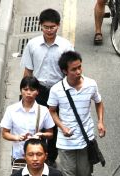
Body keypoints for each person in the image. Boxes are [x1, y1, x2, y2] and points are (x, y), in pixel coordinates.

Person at [48, 50, 105, 176]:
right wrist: (62, 127)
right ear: (65, 71)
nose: (78, 72)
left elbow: (98, 102)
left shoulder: (91, 84)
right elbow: (52, 111)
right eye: (74, 69)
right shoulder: (56, 90)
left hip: (85, 140)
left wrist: (100, 122)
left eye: (79, 67)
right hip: (65, 143)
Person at [21, 8, 73, 165]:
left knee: (56, 125)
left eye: (52, 27)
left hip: (59, 91)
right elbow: (28, 71)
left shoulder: (65, 46)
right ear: (40, 26)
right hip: (39, 90)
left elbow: (71, 71)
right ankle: (38, 154)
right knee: (38, 123)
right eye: (46, 27)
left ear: (58, 26)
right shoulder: (32, 45)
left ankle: (51, 157)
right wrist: (24, 93)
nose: (49, 30)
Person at [0, 76, 55, 167]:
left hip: (37, 157)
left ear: (37, 92)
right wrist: (17, 137)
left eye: (32, 90)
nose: (28, 93)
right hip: (18, 156)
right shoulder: (11, 110)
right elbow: (5, 133)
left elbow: (50, 134)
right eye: (25, 89)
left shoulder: (43, 110)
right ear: (21, 91)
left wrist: (41, 134)